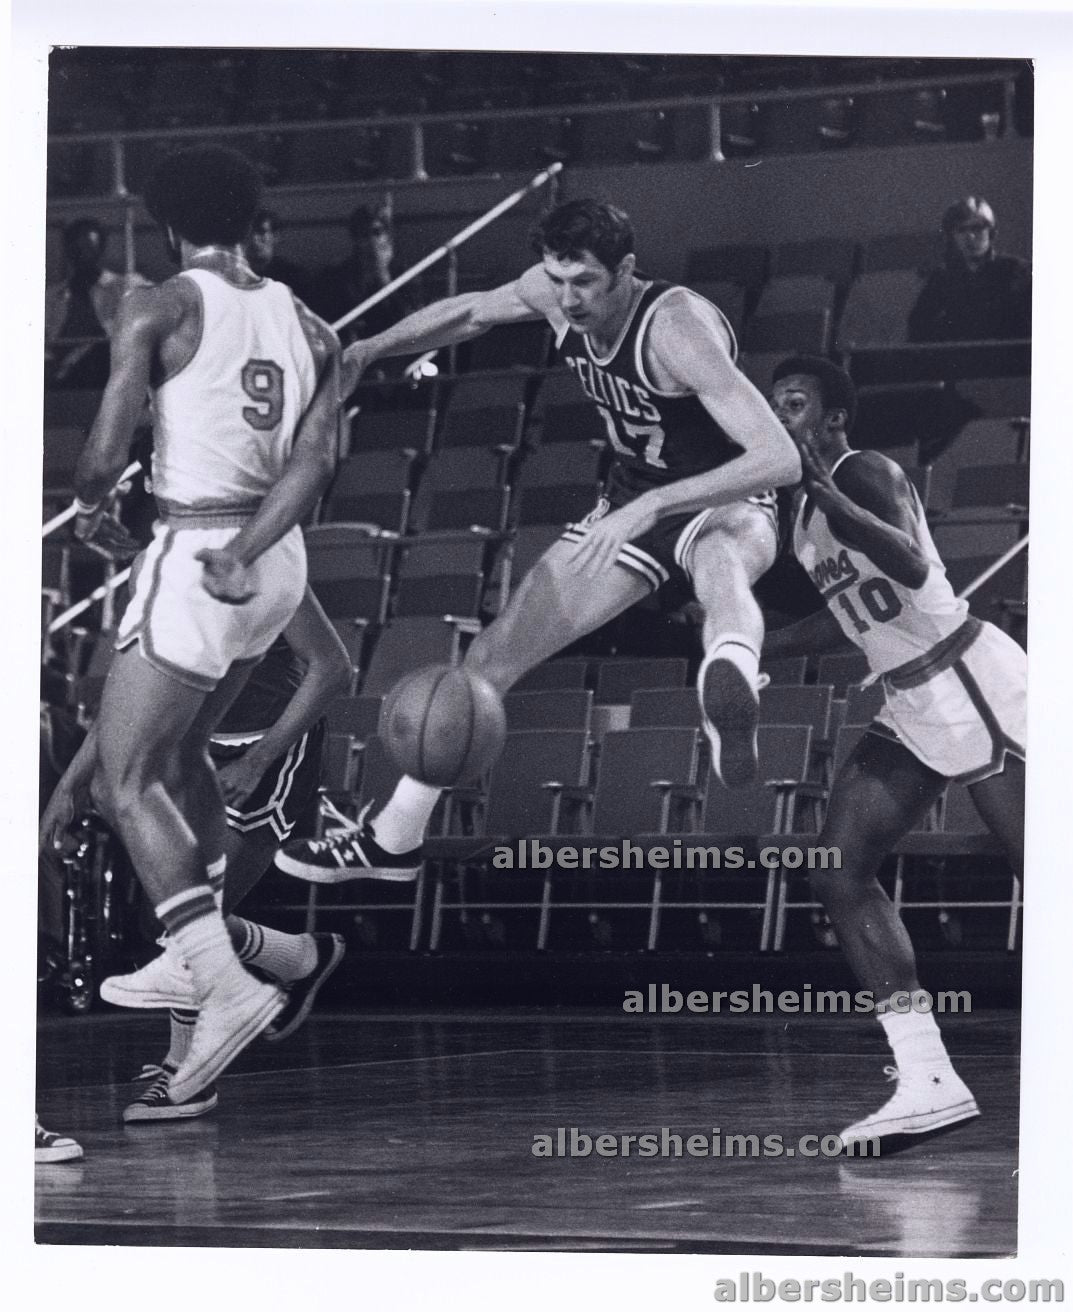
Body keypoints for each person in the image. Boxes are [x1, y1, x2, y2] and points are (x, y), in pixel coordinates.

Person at [278, 197, 802, 884]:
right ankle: (393, 838)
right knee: (493, 655)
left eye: (582, 282)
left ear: (626, 271)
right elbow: (468, 312)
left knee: (720, 565)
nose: (567, 298)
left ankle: (728, 686)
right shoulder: (552, 293)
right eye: (555, 280)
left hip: (724, 493)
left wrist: (652, 505)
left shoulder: (675, 329)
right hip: (630, 496)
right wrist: (370, 349)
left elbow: (778, 457)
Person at [68, 143, 341, 1108]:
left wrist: (96, 502)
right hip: (276, 564)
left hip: (196, 550)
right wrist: (254, 549)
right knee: (181, 768)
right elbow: (313, 468)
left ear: (164, 221)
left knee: (123, 775)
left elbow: (105, 450)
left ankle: (220, 981)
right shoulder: (311, 326)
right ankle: (204, 953)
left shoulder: (158, 303)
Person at [764, 354, 1025, 1147]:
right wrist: (751, 647)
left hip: (968, 676)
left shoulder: (862, 472)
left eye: (797, 404)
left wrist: (823, 487)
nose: (781, 418)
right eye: (773, 406)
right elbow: (845, 617)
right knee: (836, 869)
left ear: (834, 417)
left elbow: (910, 563)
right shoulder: (803, 519)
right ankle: (925, 1077)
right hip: (910, 698)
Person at [40, 589, 352, 1121]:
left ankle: (188, 1073)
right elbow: (126, 692)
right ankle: (296, 957)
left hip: (268, 749)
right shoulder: (157, 563)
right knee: (171, 912)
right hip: (193, 746)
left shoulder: (263, 558)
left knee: (191, 913)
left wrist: (258, 762)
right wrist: (70, 783)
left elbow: (332, 668)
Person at [44, 217, 153, 388]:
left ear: (100, 249)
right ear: (68, 252)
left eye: (88, 248)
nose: (82, 256)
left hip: (108, 370)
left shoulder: (124, 286)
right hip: (64, 374)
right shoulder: (52, 297)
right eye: (76, 250)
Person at [907, 196, 1031, 343]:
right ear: (952, 237)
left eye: (977, 228)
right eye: (961, 230)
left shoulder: (1018, 271)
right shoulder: (942, 278)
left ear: (991, 232)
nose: (970, 237)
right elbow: (917, 328)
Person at [309, 203, 423, 353]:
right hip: (356, 349)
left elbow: (412, 322)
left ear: (387, 236)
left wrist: (384, 279)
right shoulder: (339, 274)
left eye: (377, 233)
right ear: (355, 240)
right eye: (364, 235)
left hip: (396, 349)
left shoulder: (405, 274)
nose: (371, 241)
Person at [246, 208, 313, 302]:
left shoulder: (293, 277)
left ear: (275, 236)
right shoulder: (234, 276)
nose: (254, 240)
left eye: (261, 232)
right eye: (249, 233)